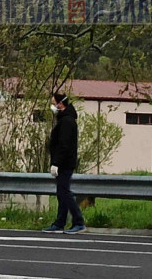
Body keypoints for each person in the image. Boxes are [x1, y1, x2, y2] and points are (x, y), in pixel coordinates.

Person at [43, 93, 86, 234]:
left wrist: (56, 163)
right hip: (64, 162)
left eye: (53, 103)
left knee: (64, 193)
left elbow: (64, 144)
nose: (52, 106)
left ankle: (78, 222)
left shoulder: (67, 121)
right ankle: (60, 223)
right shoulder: (64, 119)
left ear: (60, 104)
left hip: (64, 163)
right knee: (61, 193)